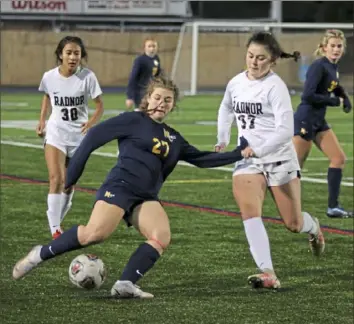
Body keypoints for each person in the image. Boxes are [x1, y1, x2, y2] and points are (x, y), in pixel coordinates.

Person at [13, 77, 248, 299]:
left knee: (160, 236)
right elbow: (94, 136)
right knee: (94, 234)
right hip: (121, 186)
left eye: (168, 100)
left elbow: (202, 159)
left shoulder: (174, 138)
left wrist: (238, 153)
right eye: (157, 98)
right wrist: (72, 175)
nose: (161, 104)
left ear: (173, 105)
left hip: (145, 196)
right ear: (148, 98)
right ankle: (39, 255)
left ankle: (125, 284)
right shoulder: (133, 120)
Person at [215, 31, 325, 290]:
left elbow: (286, 130)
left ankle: (314, 227)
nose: (254, 62)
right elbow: (226, 107)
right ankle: (268, 272)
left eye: (261, 58)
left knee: (293, 223)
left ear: (273, 60)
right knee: (250, 213)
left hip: (278, 158)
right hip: (247, 160)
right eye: (250, 56)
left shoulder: (276, 87)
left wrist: (260, 148)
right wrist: (222, 138)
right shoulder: (236, 83)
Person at [36, 36, 104, 239]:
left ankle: (56, 218)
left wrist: (91, 123)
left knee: (68, 183)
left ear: (81, 56)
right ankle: (55, 228)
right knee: (56, 178)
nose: (73, 57)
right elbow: (47, 96)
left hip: (79, 137)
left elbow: (99, 105)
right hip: (56, 132)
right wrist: (42, 120)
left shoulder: (88, 77)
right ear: (60, 55)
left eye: (77, 53)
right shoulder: (49, 76)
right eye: (69, 52)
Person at [292, 29, 352, 218]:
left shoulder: (332, 67)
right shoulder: (319, 66)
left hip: (319, 121)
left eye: (339, 46)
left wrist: (344, 96)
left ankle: (333, 207)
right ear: (324, 47)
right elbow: (308, 95)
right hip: (306, 119)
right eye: (332, 46)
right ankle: (287, 206)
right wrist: (335, 101)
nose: (336, 49)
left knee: (339, 158)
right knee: (293, 168)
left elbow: (334, 84)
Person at [125, 37, 163, 111]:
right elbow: (133, 78)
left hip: (151, 92)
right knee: (140, 115)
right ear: (144, 48)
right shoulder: (140, 60)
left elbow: (157, 75)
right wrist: (129, 97)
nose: (152, 48)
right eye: (149, 46)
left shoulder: (156, 59)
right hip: (140, 93)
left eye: (154, 46)